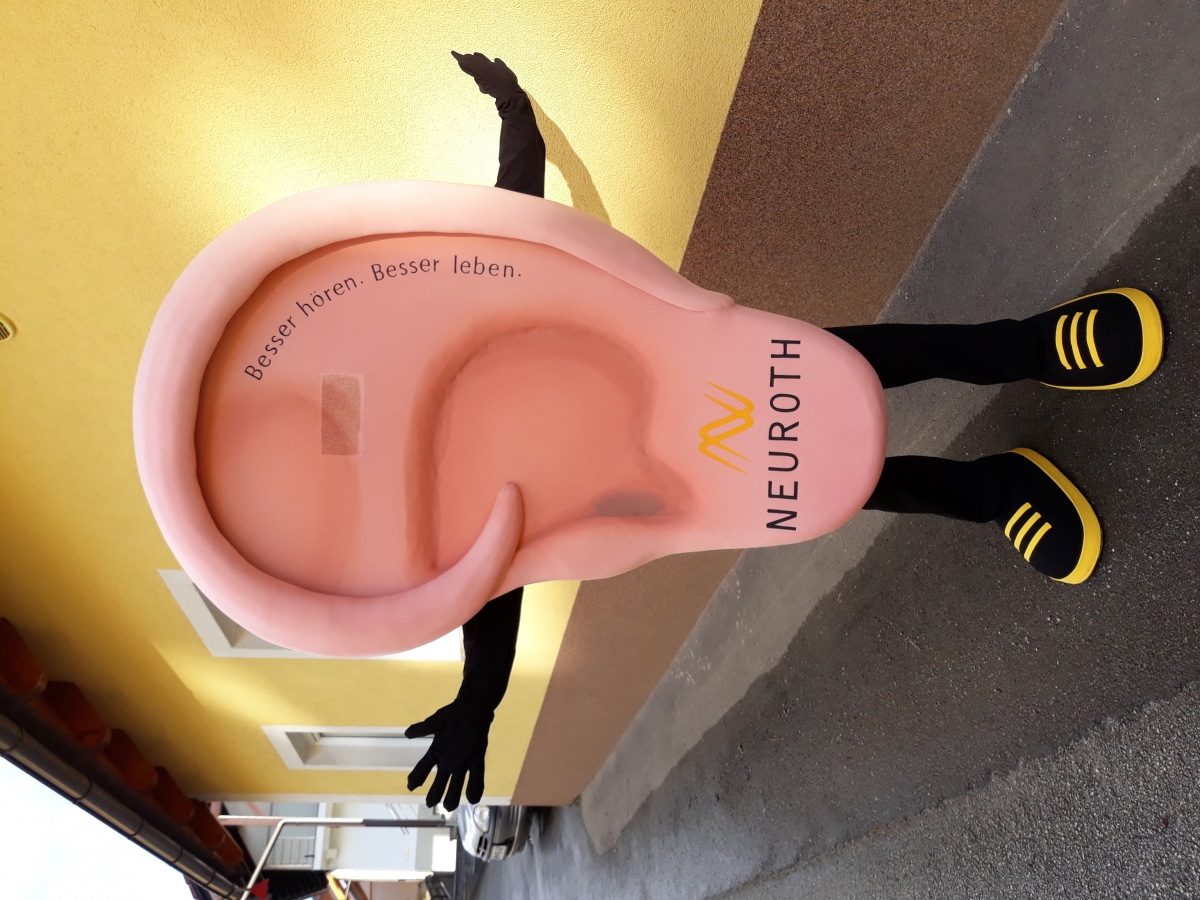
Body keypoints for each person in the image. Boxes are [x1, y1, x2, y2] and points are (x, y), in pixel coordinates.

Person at [403, 52, 1164, 810]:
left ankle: (1028, 348)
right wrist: (480, 696)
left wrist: (514, 113)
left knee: (846, 370)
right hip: (671, 481)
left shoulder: (437, 340)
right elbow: (488, 567)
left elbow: (512, 236)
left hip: (685, 369)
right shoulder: (412, 491)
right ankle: (995, 490)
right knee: (825, 477)